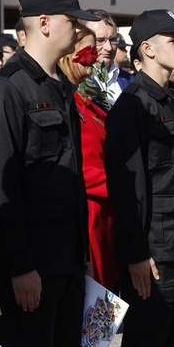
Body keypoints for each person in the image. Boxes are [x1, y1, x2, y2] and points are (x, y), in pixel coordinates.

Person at [0, 0, 96, 347]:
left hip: (67, 261)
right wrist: (20, 266)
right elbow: (0, 186)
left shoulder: (59, 86)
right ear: (43, 23)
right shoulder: (7, 89)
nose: (79, 29)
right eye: (71, 20)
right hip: (32, 268)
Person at [105, 9, 174, 347]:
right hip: (153, 249)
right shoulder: (132, 105)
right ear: (147, 48)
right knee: (148, 342)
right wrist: (136, 254)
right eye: (173, 39)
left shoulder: (172, 97)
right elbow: (126, 187)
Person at [58, 27, 118, 291]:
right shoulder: (65, 102)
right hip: (88, 214)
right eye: (89, 49)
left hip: (104, 214)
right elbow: (77, 165)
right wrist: (120, 183)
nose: (95, 57)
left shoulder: (86, 101)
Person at [79, 8, 133, 106]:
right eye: (100, 40)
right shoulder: (74, 81)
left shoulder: (131, 81)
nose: (108, 47)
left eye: (112, 40)